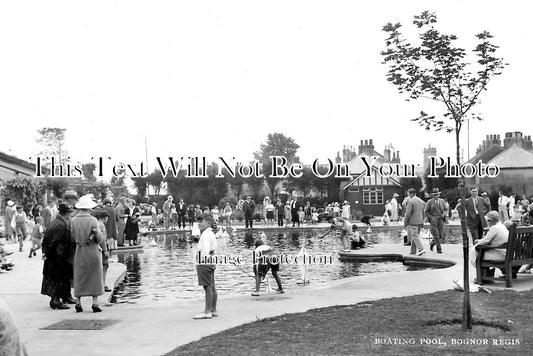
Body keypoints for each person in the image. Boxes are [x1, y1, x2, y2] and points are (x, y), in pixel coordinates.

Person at [71, 195, 104, 313]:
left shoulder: (73, 220)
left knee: (80, 275)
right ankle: (95, 303)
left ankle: (78, 302)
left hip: (80, 249)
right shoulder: (93, 220)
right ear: (89, 208)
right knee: (95, 275)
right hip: (92, 250)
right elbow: (99, 238)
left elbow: (72, 236)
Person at [41, 203, 76, 310]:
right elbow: (55, 242)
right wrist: (51, 254)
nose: (71, 215)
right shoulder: (60, 224)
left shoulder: (56, 222)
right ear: (66, 213)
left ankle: (66, 296)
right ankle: (56, 300)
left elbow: (46, 241)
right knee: (58, 278)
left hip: (57, 256)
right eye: (70, 213)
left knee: (63, 277)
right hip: (58, 257)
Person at [474, 211, 509, 283]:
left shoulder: (494, 228)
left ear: (490, 220)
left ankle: (482, 278)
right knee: (482, 252)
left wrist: (477, 241)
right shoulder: (502, 226)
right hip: (507, 253)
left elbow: (485, 241)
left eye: (487, 220)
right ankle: (487, 276)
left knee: (478, 255)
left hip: (502, 255)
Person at [193, 214, 218, 319]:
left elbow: (205, 250)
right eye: (198, 222)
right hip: (211, 260)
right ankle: (213, 309)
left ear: (208, 223)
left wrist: (201, 261)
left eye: (201, 221)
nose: (199, 224)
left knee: (207, 286)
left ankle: (207, 311)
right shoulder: (210, 233)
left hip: (205, 262)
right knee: (212, 285)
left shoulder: (206, 235)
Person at [92, 208, 112, 293]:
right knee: (105, 266)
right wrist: (105, 250)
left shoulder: (96, 223)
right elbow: (102, 240)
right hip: (101, 249)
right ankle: (102, 284)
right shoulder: (101, 225)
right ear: (104, 217)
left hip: (96, 248)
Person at [424, 188, 448, 253]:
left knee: (440, 235)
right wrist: (430, 217)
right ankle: (439, 249)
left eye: (437, 194)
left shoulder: (442, 201)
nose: (436, 196)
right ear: (433, 195)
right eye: (435, 195)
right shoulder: (429, 202)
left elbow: (446, 209)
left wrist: (444, 214)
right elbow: (426, 211)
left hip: (441, 218)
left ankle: (432, 243)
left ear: (439, 195)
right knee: (436, 235)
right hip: (433, 218)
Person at [403, 188, 426, 255]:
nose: (408, 195)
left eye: (408, 194)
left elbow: (408, 213)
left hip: (413, 221)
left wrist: (405, 222)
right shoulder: (422, 201)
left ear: (411, 194)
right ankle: (413, 251)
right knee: (415, 236)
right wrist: (423, 221)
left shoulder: (411, 201)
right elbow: (423, 213)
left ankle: (421, 249)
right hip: (420, 221)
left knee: (414, 236)